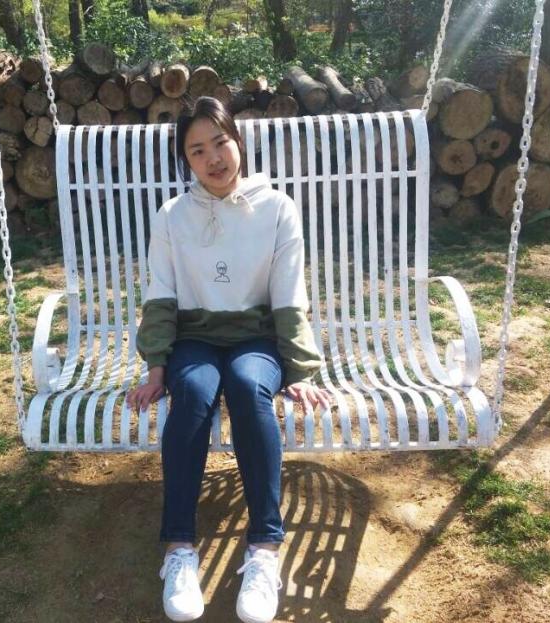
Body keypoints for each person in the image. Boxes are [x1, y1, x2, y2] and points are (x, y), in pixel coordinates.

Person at [126, 96, 331, 623]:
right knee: (193, 391)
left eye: (220, 142)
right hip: (194, 338)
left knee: (247, 385)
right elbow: (161, 294)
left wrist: (301, 370)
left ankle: (264, 549)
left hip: (256, 338)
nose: (213, 158)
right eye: (197, 150)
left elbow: (289, 295)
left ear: (238, 141)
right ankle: (178, 549)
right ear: (186, 161)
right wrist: (156, 369)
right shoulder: (173, 216)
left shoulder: (277, 208)